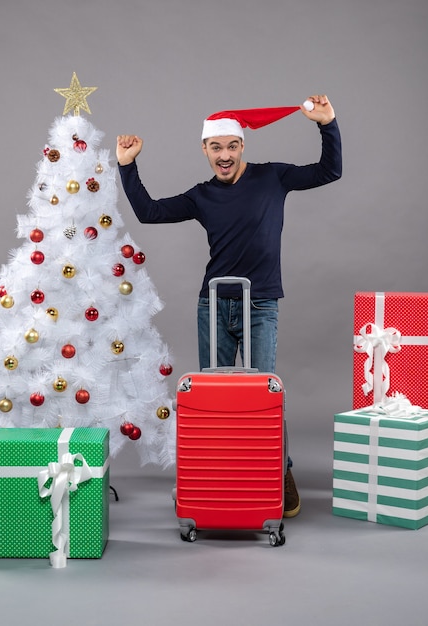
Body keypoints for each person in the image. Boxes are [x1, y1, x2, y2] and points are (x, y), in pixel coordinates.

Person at [116, 95, 342, 517]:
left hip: (261, 304)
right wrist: (127, 166)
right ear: (204, 150)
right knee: (214, 397)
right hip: (214, 306)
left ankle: (280, 470)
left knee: (264, 397)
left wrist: (326, 124)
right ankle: (218, 473)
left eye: (231, 146)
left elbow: (330, 170)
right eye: (215, 147)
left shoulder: (273, 178)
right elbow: (148, 212)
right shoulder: (202, 196)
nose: (224, 155)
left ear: (243, 147)